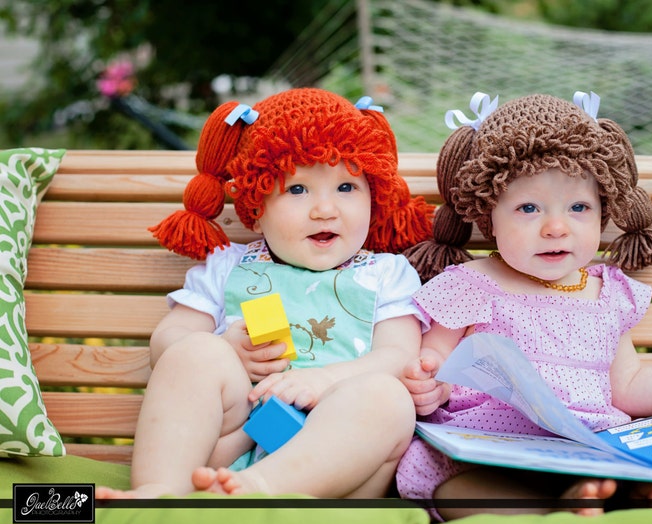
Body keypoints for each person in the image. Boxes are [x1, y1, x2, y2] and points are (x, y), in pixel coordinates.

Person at [396, 91, 652, 521]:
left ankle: (637, 502)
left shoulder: (607, 292)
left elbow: (630, 383)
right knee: (454, 484)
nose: (555, 227)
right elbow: (431, 360)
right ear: (489, 215)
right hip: (491, 449)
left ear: (602, 212)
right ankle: (559, 510)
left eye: (578, 207)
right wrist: (428, 384)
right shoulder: (470, 284)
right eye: (529, 208)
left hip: (594, 447)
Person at [96, 88, 434, 499]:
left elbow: (399, 357)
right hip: (230, 443)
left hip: (333, 463)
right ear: (255, 208)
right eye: (297, 190)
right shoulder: (227, 265)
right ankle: (161, 493)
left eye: (347, 187)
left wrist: (324, 379)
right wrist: (224, 345)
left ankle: (254, 491)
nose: (325, 209)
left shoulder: (385, 273)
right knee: (193, 352)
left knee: (388, 398)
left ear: (373, 196)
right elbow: (167, 342)